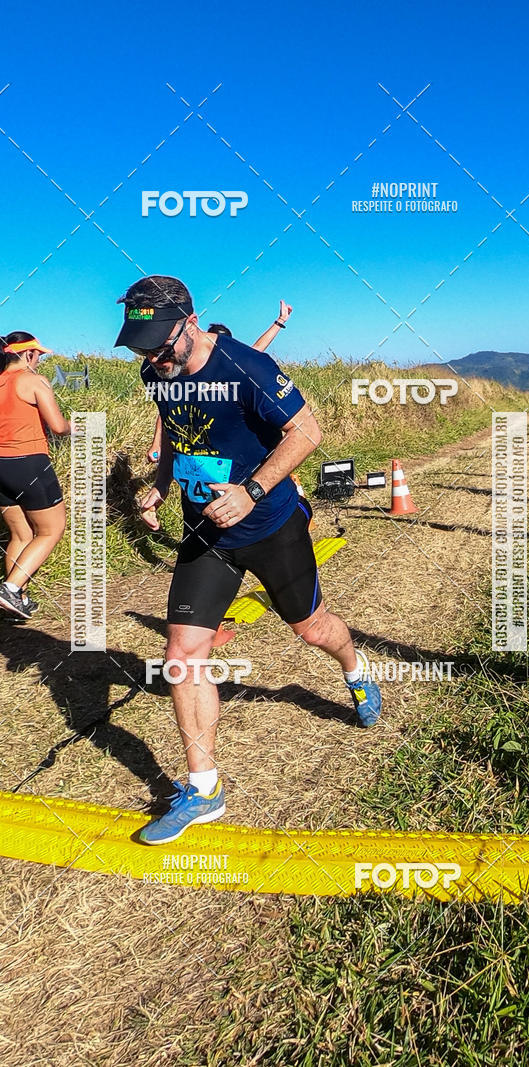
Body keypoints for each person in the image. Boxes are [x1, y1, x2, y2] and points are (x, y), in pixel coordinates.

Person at [114, 275, 382, 844]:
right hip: (205, 531)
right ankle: (204, 787)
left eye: (162, 347)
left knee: (312, 629)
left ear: (189, 323)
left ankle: (355, 672)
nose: (154, 360)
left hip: (269, 523)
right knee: (182, 654)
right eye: (142, 350)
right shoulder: (154, 372)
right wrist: (162, 486)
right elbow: (181, 438)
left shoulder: (244, 367)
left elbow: (307, 431)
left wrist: (251, 491)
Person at [145, 304, 293, 463]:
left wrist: (280, 320)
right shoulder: (183, 369)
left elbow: (256, 349)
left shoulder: (236, 365)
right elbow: (167, 411)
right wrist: (157, 444)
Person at [0, 332, 71, 618]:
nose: (40, 360)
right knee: (51, 530)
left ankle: (17, 599)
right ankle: (11, 589)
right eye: (39, 355)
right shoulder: (33, 381)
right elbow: (57, 426)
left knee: (21, 533)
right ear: (28, 354)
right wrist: (74, 427)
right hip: (29, 462)